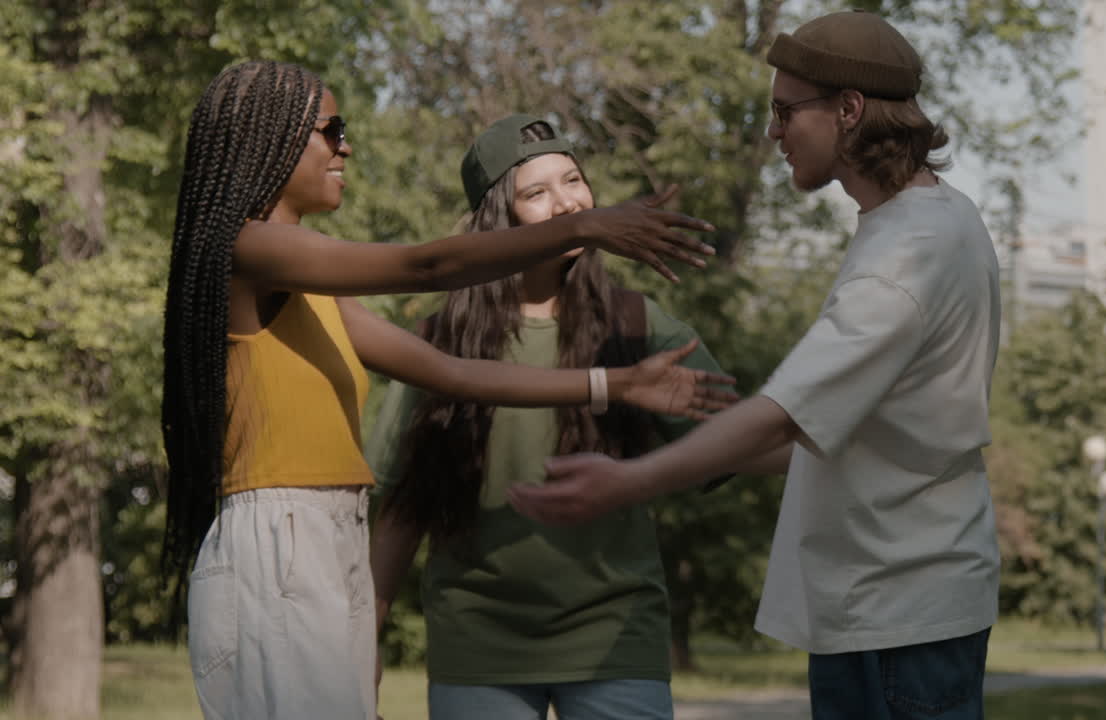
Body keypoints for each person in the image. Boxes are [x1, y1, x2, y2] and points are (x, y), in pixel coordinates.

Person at [160, 60, 732, 720]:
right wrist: (584, 225)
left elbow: (452, 374)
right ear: (273, 138)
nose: (346, 146)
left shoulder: (306, 283)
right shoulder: (249, 249)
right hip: (281, 542)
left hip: (323, 537)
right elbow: (423, 265)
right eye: (332, 129)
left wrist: (615, 382)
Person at [510, 11, 1001, 720]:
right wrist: (690, 418)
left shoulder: (906, 257)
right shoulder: (933, 221)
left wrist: (629, 481)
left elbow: (787, 412)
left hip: (897, 618)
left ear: (850, 109)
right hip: (898, 608)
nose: (773, 131)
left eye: (785, 111)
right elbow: (840, 433)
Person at [366, 114, 732, 720]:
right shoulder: (437, 340)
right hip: (477, 644)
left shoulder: (637, 324)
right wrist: (366, 635)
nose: (567, 204)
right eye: (536, 193)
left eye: (573, 181)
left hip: (616, 639)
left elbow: (744, 438)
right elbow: (402, 509)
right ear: (496, 220)